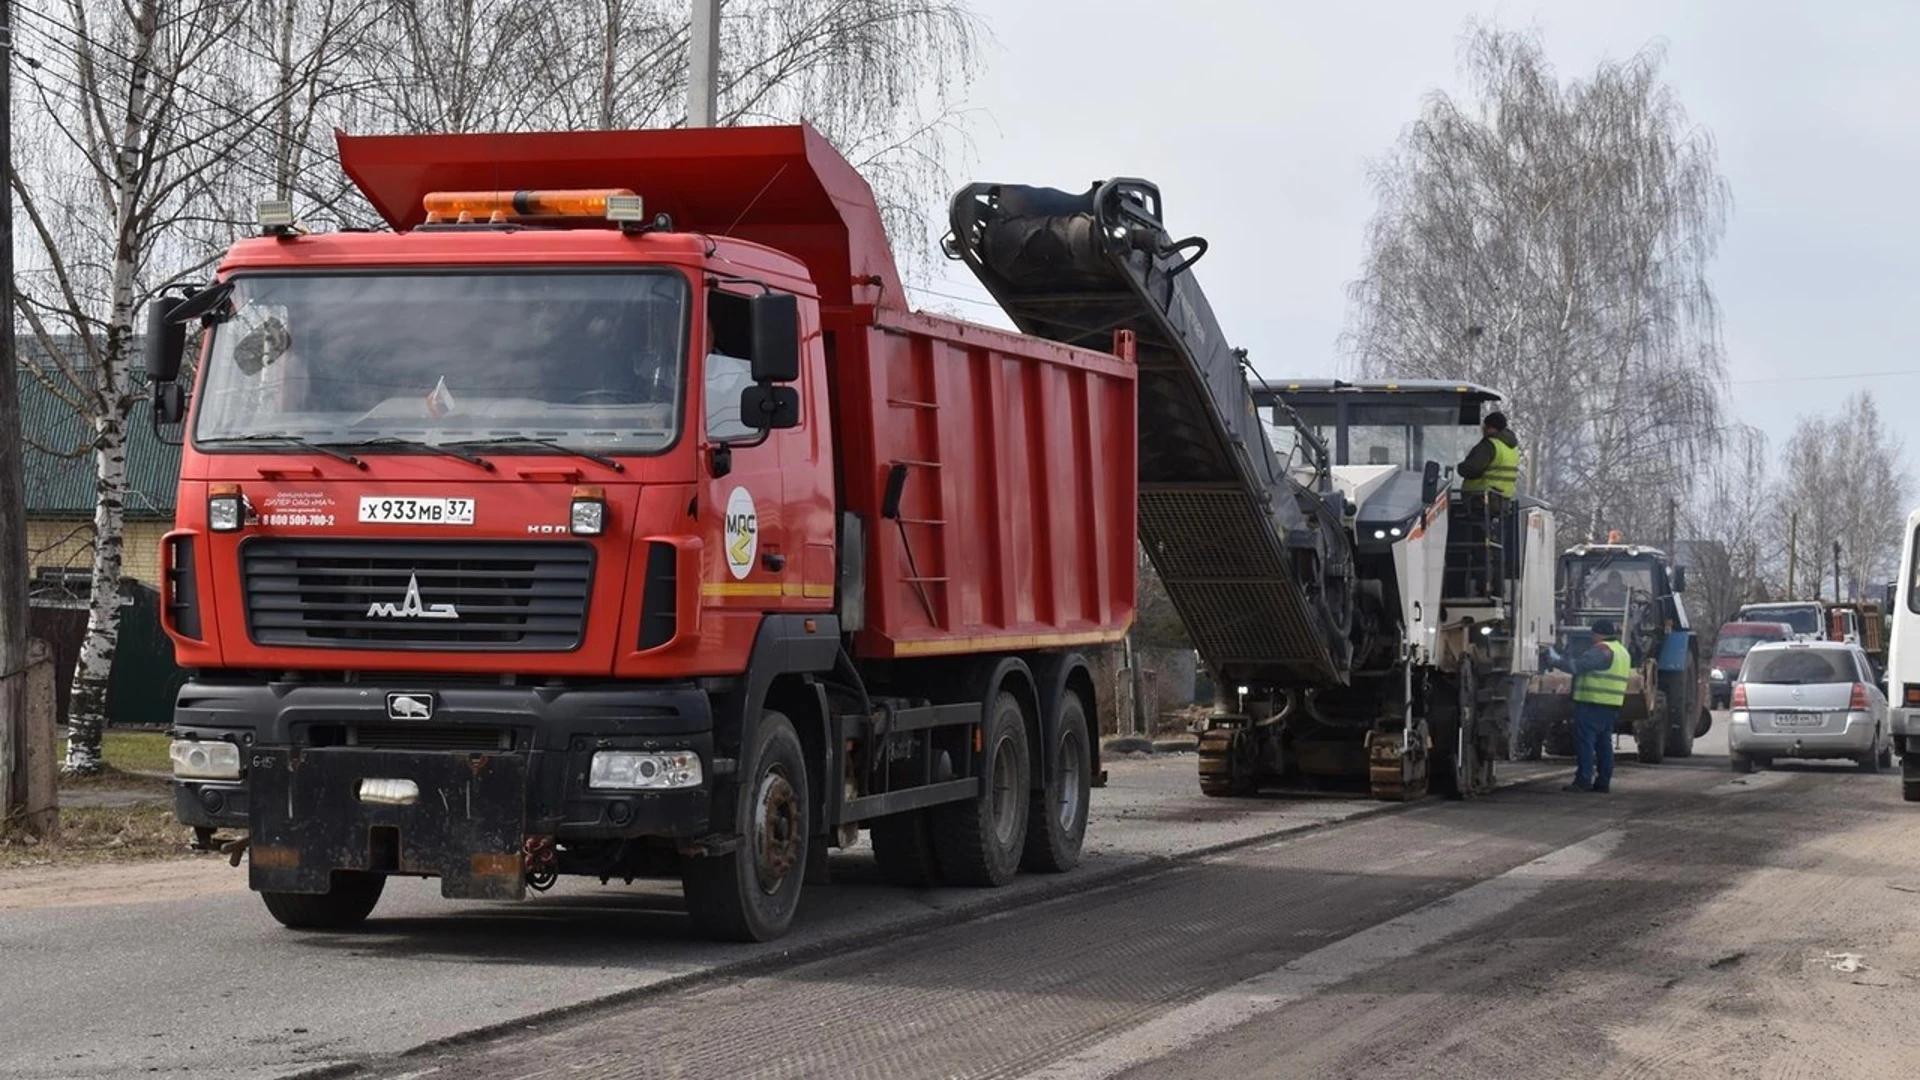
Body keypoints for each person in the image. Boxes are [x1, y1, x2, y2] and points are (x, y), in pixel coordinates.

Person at [1544, 619, 1631, 793]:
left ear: (1598, 634)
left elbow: (1577, 666)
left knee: (1585, 743)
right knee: (1604, 745)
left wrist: (1555, 660)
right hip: (1611, 705)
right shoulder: (1622, 651)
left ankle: (1583, 780)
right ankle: (1603, 782)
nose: (1592, 637)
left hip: (1592, 703)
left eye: (1593, 634)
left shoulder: (1602, 650)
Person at [1457, 411, 1520, 501]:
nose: (1483, 429)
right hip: (1504, 500)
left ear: (1491, 428)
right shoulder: (1512, 449)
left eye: (1485, 426)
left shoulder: (1488, 446)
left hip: (1481, 499)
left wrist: (1461, 467)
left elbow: (1473, 468)